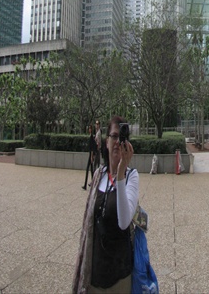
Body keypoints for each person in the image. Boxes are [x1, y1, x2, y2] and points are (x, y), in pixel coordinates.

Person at [73, 116, 139, 294]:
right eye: (114, 136)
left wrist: (120, 174)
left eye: (122, 137)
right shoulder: (98, 176)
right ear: (106, 142)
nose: (118, 142)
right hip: (95, 273)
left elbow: (124, 221)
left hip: (119, 277)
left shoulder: (131, 177)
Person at [82, 125, 97, 190]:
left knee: (88, 169)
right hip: (91, 155)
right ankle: (93, 183)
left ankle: (86, 185)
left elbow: (92, 147)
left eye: (90, 128)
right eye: (89, 128)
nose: (89, 130)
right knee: (91, 170)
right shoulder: (92, 136)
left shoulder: (91, 137)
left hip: (90, 155)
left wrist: (91, 156)